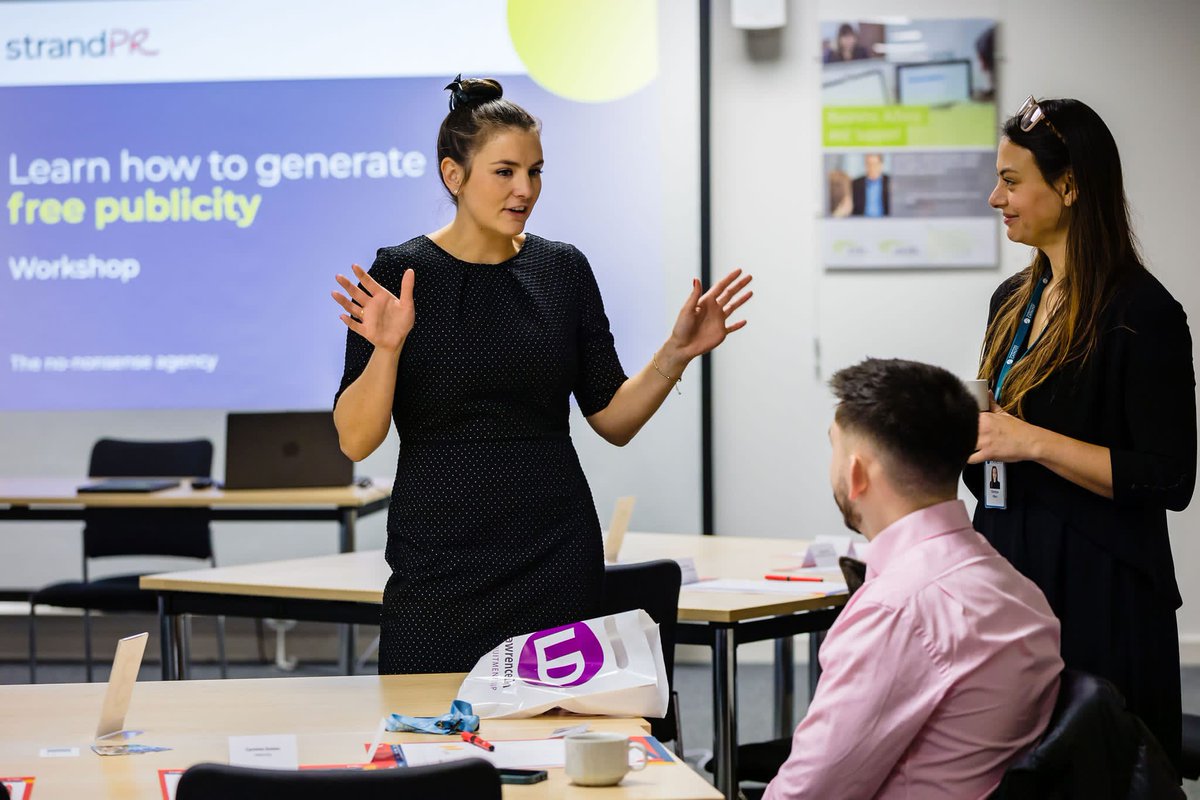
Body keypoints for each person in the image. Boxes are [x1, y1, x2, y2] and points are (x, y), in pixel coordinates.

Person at [329, 76, 753, 674]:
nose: (525, 189)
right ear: (455, 176)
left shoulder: (563, 269)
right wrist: (389, 348)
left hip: (554, 548)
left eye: (535, 172)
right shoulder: (401, 272)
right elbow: (355, 438)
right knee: (430, 735)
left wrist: (677, 352)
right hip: (438, 558)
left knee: (556, 733)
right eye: (505, 172)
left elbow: (613, 418)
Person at [965, 96, 1195, 770]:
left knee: (1098, 774)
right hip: (1013, 568)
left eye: (1011, 181)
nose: (994, 197)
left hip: (1103, 590)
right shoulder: (1011, 301)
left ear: (1068, 186)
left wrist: (1030, 441)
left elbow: (1168, 477)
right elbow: (997, 448)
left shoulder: (1142, 313)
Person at [764, 358, 1063, 800]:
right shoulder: (1018, 590)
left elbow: (808, 793)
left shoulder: (896, 612)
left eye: (835, 447)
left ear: (856, 474)